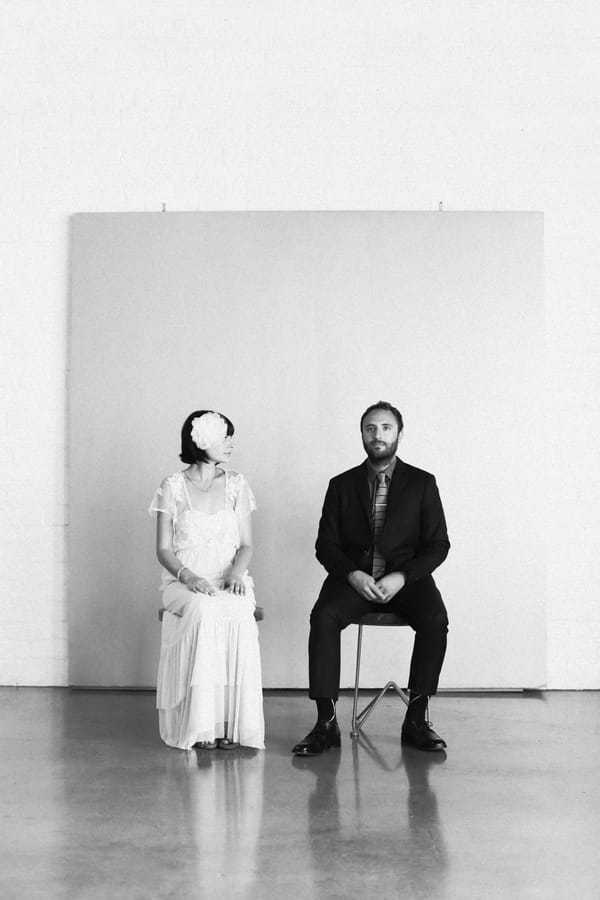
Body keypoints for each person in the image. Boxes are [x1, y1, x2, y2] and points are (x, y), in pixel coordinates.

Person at [293, 401, 450, 756]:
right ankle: (326, 723)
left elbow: (439, 545)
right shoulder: (341, 485)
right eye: (370, 428)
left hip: (405, 581)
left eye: (385, 428)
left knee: (435, 618)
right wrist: (352, 574)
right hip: (354, 580)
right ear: (362, 434)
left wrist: (402, 576)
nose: (377, 435)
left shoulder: (423, 483)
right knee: (323, 616)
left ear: (398, 434)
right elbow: (326, 545)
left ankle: (417, 719)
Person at [149, 410, 264, 751]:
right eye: (224, 436)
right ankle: (201, 726)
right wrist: (189, 577)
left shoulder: (237, 485)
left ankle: (229, 724)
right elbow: (163, 550)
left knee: (240, 612)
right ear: (201, 440)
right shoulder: (171, 487)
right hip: (184, 582)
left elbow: (246, 545)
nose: (230, 444)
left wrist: (235, 573)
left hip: (229, 577)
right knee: (204, 611)